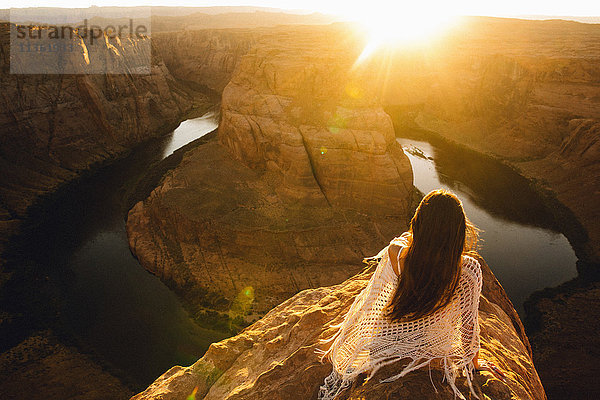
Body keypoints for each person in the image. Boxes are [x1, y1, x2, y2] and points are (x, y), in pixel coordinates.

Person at [316, 189, 503, 400]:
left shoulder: (397, 253)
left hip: (384, 344)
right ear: (458, 231)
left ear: (419, 223)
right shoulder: (467, 270)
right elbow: (469, 328)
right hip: (431, 351)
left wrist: (419, 237)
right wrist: (475, 364)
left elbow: (377, 293)